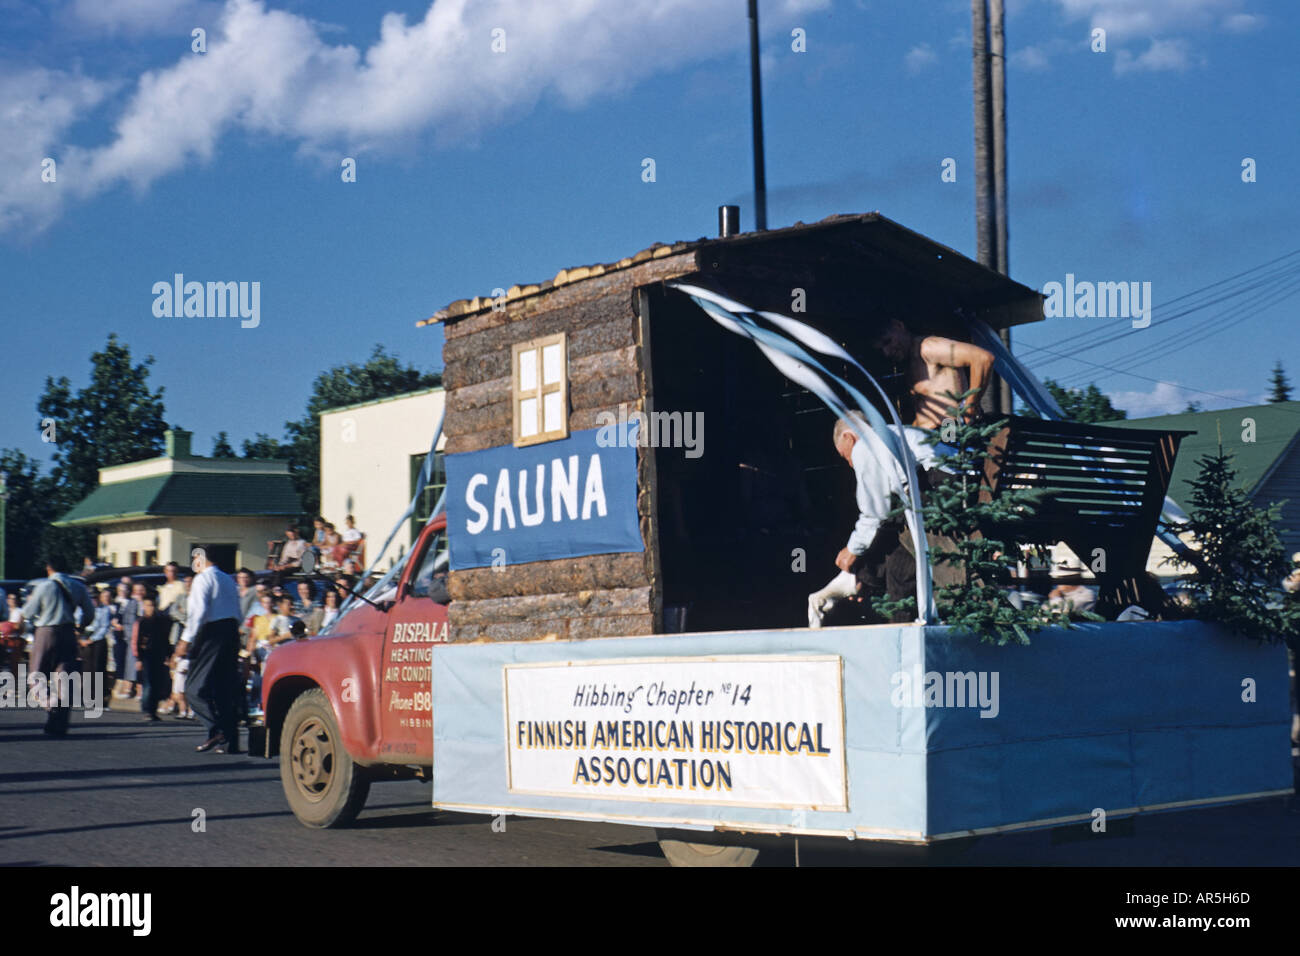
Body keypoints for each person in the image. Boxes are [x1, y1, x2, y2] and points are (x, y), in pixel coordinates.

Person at [174, 548, 243, 754]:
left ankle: (217, 729)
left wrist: (186, 640)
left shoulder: (202, 579)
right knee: (224, 689)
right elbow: (238, 611)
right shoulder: (228, 580)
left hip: (212, 633)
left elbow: (198, 613)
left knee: (194, 688)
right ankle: (230, 741)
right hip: (231, 632)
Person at [872, 318, 996, 428]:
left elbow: (982, 358)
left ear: (898, 325)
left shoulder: (928, 347)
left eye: (888, 341)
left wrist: (971, 405)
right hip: (931, 436)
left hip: (949, 428)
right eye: (881, 349)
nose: (887, 352)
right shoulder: (910, 361)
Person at [21, 561, 96, 736]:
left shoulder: (44, 586)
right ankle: (59, 723)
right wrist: (81, 627)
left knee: (36, 676)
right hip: (69, 632)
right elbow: (90, 613)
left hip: (46, 631)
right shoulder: (78, 586)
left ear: (48, 567)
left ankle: (50, 703)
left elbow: (28, 612)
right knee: (65, 678)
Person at [132, 594, 173, 722]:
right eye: (148, 605)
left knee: (157, 683)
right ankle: (147, 710)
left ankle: (153, 710)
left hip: (158, 654)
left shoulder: (160, 621)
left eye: (153, 605)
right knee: (148, 683)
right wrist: (138, 658)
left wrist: (168, 655)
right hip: (146, 654)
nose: (151, 608)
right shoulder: (141, 622)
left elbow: (165, 639)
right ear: (144, 607)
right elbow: (136, 640)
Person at [80, 588, 115, 686]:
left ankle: (98, 691)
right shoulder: (83, 608)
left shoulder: (104, 609)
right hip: (85, 637)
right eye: (91, 598)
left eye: (95, 598)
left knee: (97, 667)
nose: (93, 600)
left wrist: (92, 639)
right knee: (86, 665)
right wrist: (82, 638)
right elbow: (78, 622)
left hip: (98, 639)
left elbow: (104, 627)